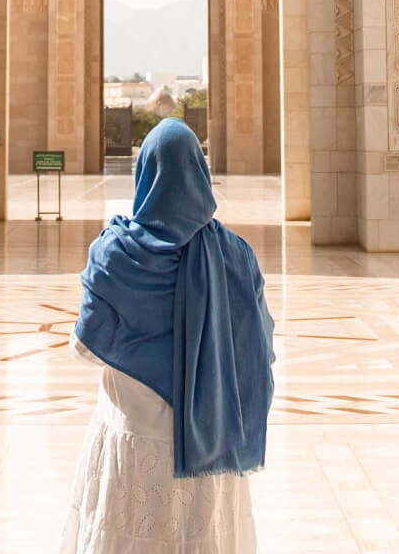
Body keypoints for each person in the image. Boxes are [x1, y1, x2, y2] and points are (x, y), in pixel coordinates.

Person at [62, 117, 275, 553]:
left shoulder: (116, 254)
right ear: (199, 171)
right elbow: (259, 348)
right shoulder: (235, 256)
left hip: (132, 439)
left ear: (145, 173)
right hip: (210, 442)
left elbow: (85, 347)